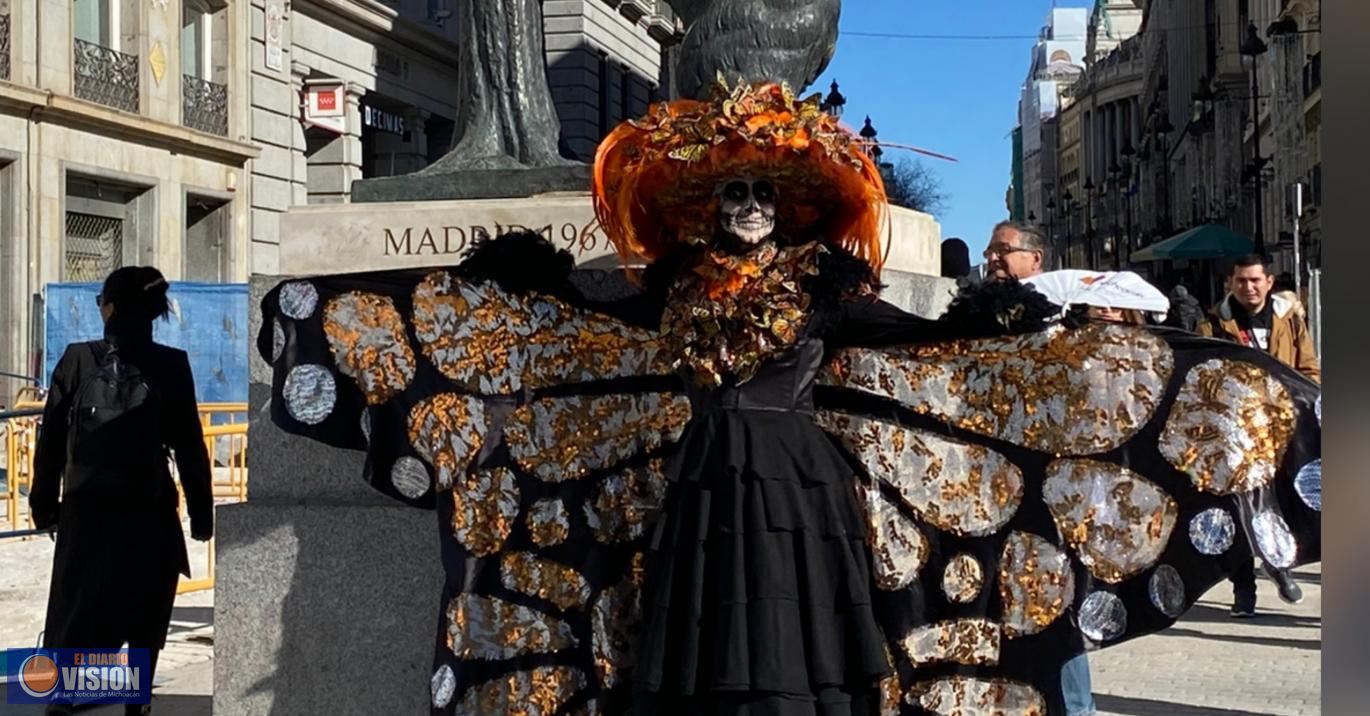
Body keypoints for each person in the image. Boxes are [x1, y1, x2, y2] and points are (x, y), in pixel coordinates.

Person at [259, 82, 1321, 716]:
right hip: (704, 484)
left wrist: (996, 317)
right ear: (708, 203)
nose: (750, 207)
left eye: (764, 192)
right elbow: (598, 312)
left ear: (787, 204)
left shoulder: (823, 284)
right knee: (701, 636)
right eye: (733, 192)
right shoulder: (670, 284)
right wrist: (527, 277)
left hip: (802, 488)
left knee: (804, 637)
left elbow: (908, 335)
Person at [30, 266, 213, 716]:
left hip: (87, 512)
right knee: (145, 613)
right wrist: (202, 515)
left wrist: (43, 505)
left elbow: (50, 439)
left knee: (80, 611)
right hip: (149, 511)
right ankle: (137, 699)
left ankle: (68, 697)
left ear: (109, 308)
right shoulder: (171, 364)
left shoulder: (76, 358)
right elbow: (190, 444)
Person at [984, 223, 1094, 716]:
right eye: (991, 250)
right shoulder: (979, 317)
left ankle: (1076, 709)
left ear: (1036, 260)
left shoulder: (1063, 326)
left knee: (1057, 607)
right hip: (989, 486)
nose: (993, 258)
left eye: (1004, 250)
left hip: (1050, 487)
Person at [1198, 254, 1317, 617]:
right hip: (1235, 432)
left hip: (1280, 428)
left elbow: (1308, 367)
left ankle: (1279, 566)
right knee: (1240, 509)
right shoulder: (1214, 323)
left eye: (1254, 281)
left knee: (1280, 502)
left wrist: (1304, 402)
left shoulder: (1289, 320)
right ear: (1229, 284)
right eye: (1241, 281)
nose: (1248, 287)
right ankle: (1243, 589)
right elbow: (1205, 376)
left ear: (1269, 282)